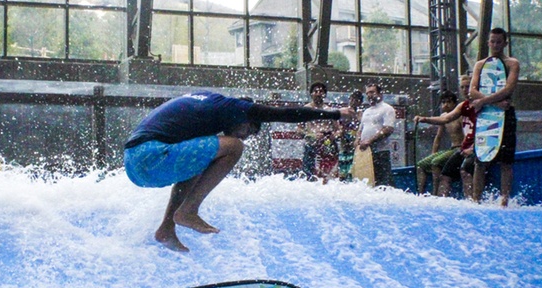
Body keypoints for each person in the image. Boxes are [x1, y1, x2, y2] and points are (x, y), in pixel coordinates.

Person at [124, 90, 355, 252]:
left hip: (135, 163)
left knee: (199, 163)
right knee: (234, 148)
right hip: (150, 155)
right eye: (250, 130)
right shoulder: (233, 107)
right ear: (246, 117)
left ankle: (166, 228)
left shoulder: (207, 104)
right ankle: (188, 211)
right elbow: (286, 114)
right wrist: (336, 114)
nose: (245, 136)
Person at [470, 27, 520, 206]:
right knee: (480, 158)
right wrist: (493, 103)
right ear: (488, 42)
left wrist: (484, 101)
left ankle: (504, 201)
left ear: (505, 43)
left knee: (506, 160)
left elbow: (508, 89)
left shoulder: (512, 63)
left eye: (499, 41)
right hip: (486, 116)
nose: (495, 45)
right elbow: (472, 91)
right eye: (492, 41)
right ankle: (475, 200)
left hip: (506, 115)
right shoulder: (480, 64)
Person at [414, 74, 478, 198]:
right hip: (459, 149)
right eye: (462, 87)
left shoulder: (478, 105)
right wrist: (424, 119)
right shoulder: (462, 107)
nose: (465, 90)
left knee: (459, 169)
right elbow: (443, 124)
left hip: (466, 148)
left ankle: (472, 200)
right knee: (425, 165)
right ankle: (423, 196)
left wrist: (471, 147)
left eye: (468, 86)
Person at [415, 90, 463, 195]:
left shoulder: (460, 116)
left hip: (460, 148)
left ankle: (435, 193)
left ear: (454, 103)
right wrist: (434, 153)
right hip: (451, 149)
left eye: (448, 102)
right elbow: (438, 137)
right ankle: (420, 193)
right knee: (421, 165)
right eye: (443, 102)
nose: (445, 105)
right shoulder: (443, 116)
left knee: (436, 162)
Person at [296, 82, 341, 183]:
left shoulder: (329, 110)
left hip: (327, 145)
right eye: (315, 91)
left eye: (321, 91)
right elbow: (298, 130)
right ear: (311, 94)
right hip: (311, 145)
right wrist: (311, 135)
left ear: (324, 94)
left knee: (328, 175)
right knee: (310, 175)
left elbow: (339, 129)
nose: (318, 93)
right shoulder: (305, 109)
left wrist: (334, 136)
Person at [357, 83, 397, 187]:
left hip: (381, 152)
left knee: (384, 182)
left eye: (372, 92)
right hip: (365, 153)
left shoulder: (387, 109)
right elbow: (360, 129)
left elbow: (388, 129)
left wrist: (370, 141)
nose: (369, 95)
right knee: (367, 182)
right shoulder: (366, 111)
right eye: (367, 93)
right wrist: (357, 141)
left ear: (380, 93)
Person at [337, 90, 364, 182]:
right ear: (349, 99)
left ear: (360, 102)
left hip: (355, 143)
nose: (354, 102)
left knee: (353, 170)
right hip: (344, 143)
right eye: (352, 99)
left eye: (357, 100)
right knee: (342, 170)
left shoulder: (361, 114)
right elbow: (338, 127)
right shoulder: (344, 111)